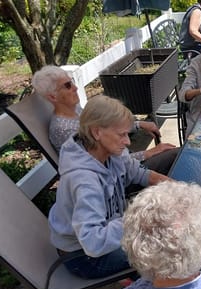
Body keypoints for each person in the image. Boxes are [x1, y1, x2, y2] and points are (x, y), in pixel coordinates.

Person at [48, 95, 171, 279]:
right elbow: (93, 242)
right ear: (97, 132)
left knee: (164, 233)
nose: (128, 142)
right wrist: (138, 220)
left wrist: (178, 189)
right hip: (84, 257)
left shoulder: (109, 151)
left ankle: (143, 282)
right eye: (122, 135)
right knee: (166, 249)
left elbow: (139, 173)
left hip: (103, 236)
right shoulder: (84, 180)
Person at [32, 65, 178, 176]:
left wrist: (139, 124)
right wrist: (147, 153)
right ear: (53, 97)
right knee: (176, 155)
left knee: (173, 153)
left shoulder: (75, 110)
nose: (75, 88)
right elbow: (102, 164)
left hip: (126, 158)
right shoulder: (63, 129)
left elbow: (109, 126)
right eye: (67, 86)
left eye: (72, 82)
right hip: (119, 175)